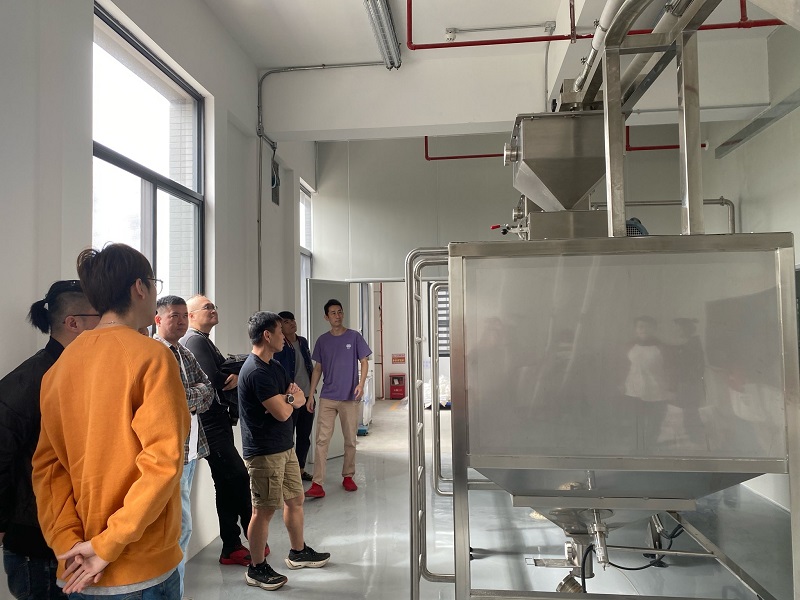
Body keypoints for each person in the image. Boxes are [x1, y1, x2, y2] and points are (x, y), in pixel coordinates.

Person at [32, 243, 189, 598]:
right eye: (154, 284)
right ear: (140, 287)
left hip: (78, 568)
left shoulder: (59, 368)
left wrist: (68, 543)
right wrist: (108, 544)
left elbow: (48, 469)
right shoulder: (152, 357)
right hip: (141, 565)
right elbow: (163, 462)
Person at [1, 281, 100, 600]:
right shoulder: (30, 380)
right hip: (37, 544)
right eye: (99, 316)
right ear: (73, 323)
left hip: (76, 539)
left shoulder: (83, 372)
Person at [238, 311, 330, 591]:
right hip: (264, 452)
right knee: (264, 511)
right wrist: (291, 400)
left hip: (284, 446)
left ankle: (298, 552)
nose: (284, 337)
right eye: (280, 331)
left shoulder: (274, 366)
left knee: (295, 499)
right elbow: (284, 411)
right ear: (267, 335)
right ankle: (256, 568)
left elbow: (295, 397)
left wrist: (289, 399)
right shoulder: (256, 371)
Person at [180, 295, 254, 565]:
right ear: (191, 316)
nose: (213, 310)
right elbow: (213, 380)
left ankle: (231, 545)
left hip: (216, 424)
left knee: (225, 483)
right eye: (206, 307)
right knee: (238, 477)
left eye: (213, 306)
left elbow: (219, 376)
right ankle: (252, 536)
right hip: (209, 427)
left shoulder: (202, 340)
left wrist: (229, 377)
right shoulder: (195, 340)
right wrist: (230, 378)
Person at [154, 295, 215, 596]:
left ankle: (175, 590)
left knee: (182, 528)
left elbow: (208, 390)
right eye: (173, 316)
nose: (180, 321)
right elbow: (166, 400)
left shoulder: (183, 352)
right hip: (169, 453)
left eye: (182, 316)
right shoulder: (155, 353)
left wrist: (186, 397)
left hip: (190, 451)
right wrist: (187, 397)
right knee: (177, 529)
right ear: (158, 320)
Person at [305, 299, 372, 499]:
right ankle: (317, 483)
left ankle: (348, 476)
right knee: (321, 440)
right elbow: (318, 369)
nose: (337, 316)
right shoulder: (322, 341)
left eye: (340, 312)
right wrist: (311, 394)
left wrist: (361, 384)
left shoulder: (354, 336)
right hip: (328, 397)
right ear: (326, 317)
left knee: (350, 439)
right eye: (333, 313)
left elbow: (364, 361)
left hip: (350, 397)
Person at [273, 311, 315, 482]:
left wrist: (312, 395)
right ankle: (286, 474)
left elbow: (309, 366)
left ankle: (300, 470)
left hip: (308, 397)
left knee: (304, 436)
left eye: (292, 320)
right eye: (286, 321)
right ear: (280, 326)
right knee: (287, 436)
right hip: (290, 399)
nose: (291, 323)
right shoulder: (280, 345)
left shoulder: (303, 341)